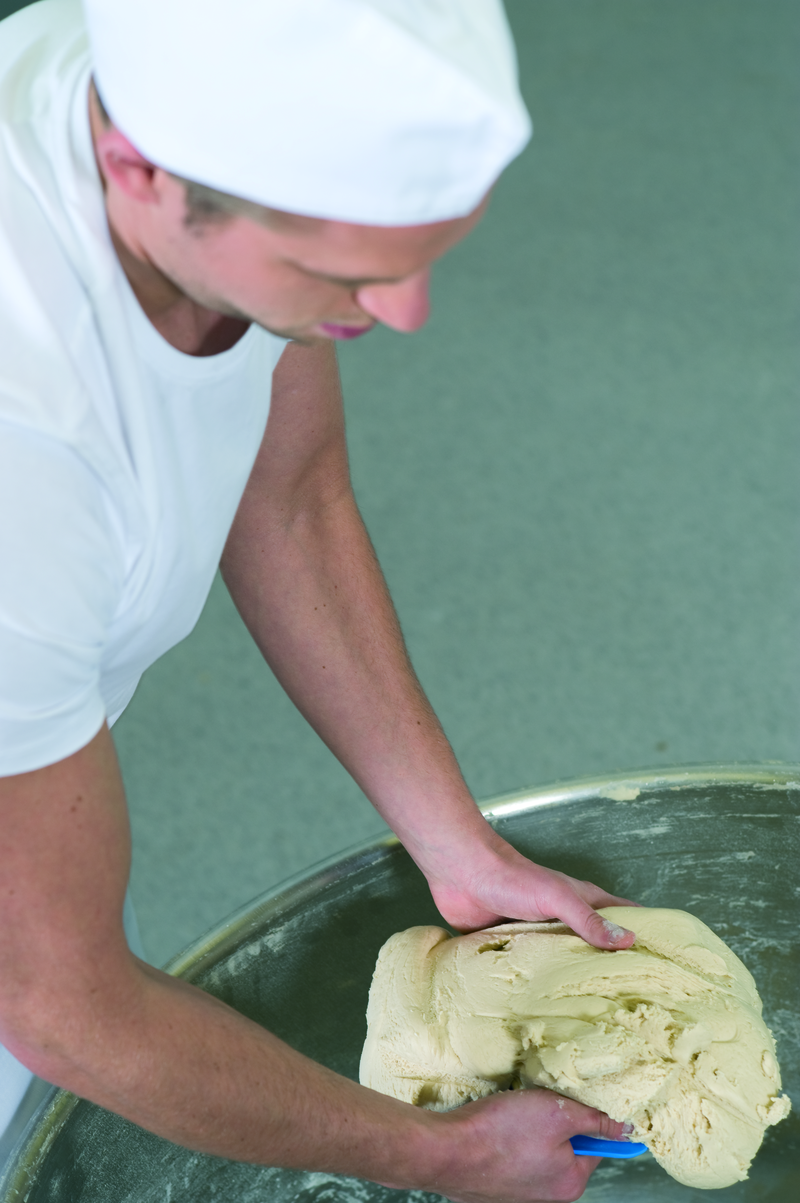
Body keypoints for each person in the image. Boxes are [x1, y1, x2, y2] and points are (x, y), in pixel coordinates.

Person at [0, 1, 639, 1198]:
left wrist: (454, 843)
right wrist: (440, 1156)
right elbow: (64, 1007)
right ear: (135, 174)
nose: (403, 315)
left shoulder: (188, 106)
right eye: (345, 274)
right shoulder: (21, 454)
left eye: (416, 257)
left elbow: (286, 490)